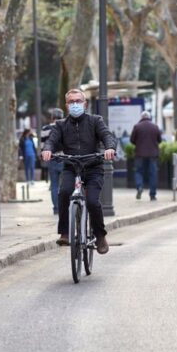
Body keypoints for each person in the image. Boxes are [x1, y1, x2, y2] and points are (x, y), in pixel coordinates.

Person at [41, 88, 116, 254]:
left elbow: (107, 136)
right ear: (66, 105)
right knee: (64, 192)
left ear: (85, 104)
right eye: (71, 102)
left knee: (92, 201)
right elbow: (51, 141)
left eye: (78, 101)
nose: (75, 104)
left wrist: (109, 148)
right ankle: (65, 232)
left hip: (93, 167)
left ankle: (100, 236)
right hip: (72, 167)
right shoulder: (60, 125)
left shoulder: (95, 120)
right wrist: (47, 150)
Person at [129, 111, 162, 201]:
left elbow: (132, 140)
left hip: (140, 154)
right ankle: (152, 195)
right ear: (149, 117)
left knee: (139, 172)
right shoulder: (155, 127)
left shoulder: (137, 127)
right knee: (153, 174)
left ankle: (139, 187)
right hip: (153, 155)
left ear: (142, 117)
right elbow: (159, 140)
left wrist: (138, 143)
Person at [40, 108, 65, 215]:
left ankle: (56, 208)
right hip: (65, 158)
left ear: (52, 117)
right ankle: (65, 207)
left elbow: (42, 146)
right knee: (65, 184)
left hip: (52, 158)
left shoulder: (45, 128)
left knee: (54, 185)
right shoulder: (65, 126)